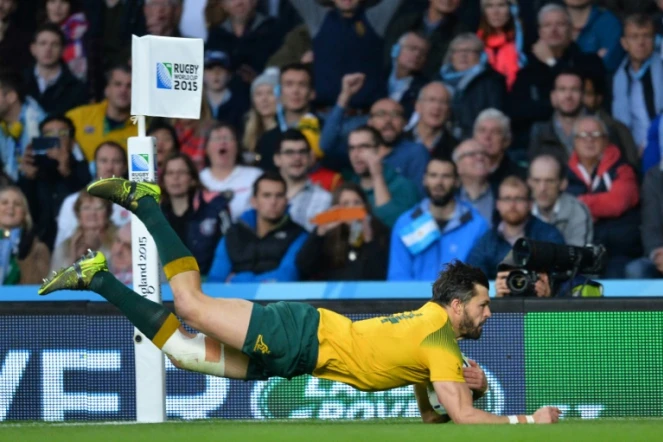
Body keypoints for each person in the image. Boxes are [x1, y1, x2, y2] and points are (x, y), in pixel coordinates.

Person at [39, 176, 561, 424]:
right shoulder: (439, 341)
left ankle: (98, 278)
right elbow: (464, 419)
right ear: (455, 307)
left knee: (184, 353)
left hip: (300, 357)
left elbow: (435, 418)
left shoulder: (431, 330)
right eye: (481, 304)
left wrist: (462, 392)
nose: (488, 312)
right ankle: (149, 207)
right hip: (302, 335)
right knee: (192, 305)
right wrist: (526, 421)